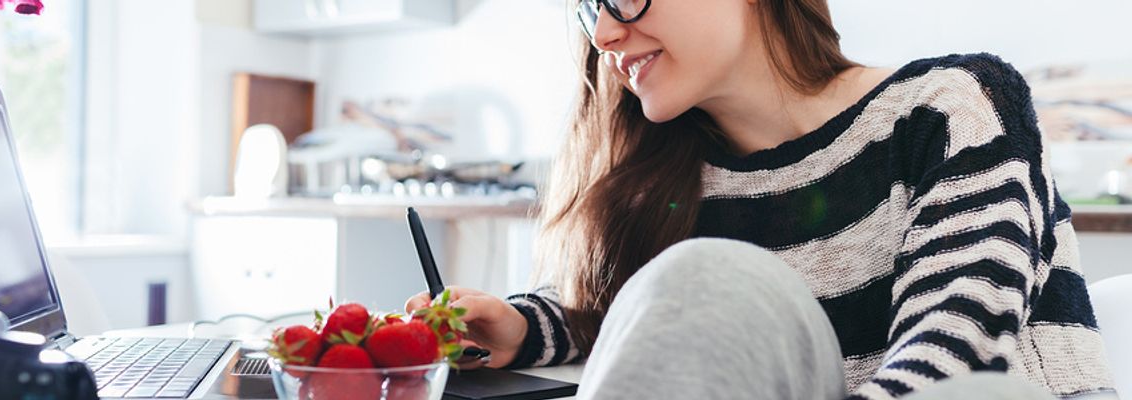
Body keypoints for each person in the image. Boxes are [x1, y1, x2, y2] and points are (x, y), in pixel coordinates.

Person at [407, 0, 1118, 398]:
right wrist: (525, 325)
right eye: (591, 6)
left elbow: (955, 352)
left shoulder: (947, 108)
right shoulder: (676, 182)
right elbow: (633, 320)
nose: (605, 32)